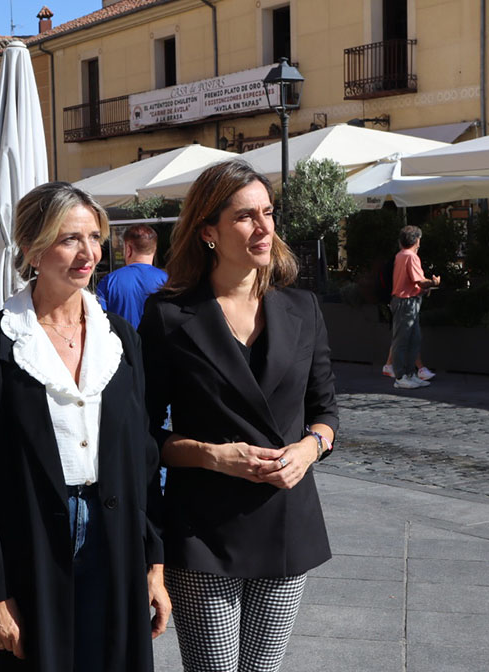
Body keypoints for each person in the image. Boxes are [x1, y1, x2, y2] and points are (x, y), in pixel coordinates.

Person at [0, 181, 171, 672]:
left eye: (94, 237)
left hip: (115, 538)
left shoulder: (121, 340)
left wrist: (153, 564)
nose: (88, 252)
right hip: (27, 543)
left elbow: (143, 457)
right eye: (69, 238)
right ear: (31, 247)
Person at [139, 159, 337, 672]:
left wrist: (309, 448)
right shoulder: (168, 316)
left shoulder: (303, 308)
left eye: (268, 213)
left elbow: (326, 411)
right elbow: (140, 431)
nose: (264, 227)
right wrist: (210, 455)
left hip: (287, 522)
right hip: (203, 527)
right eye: (246, 216)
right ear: (209, 231)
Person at [390, 224, 440, 390]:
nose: (419, 243)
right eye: (419, 240)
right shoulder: (411, 257)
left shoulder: (400, 255)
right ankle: (401, 376)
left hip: (405, 301)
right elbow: (419, 281)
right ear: (415, 240)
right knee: (404, 340)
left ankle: (409, 374)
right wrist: (434, 282)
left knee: (412, 338)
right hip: (407, 302)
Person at [95, 223, 168, 328]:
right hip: (158, 343)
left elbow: (100, 321)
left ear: (128, 249)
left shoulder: (109, 281)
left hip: (121, 343)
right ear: (154, 250)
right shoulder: (167, 281)